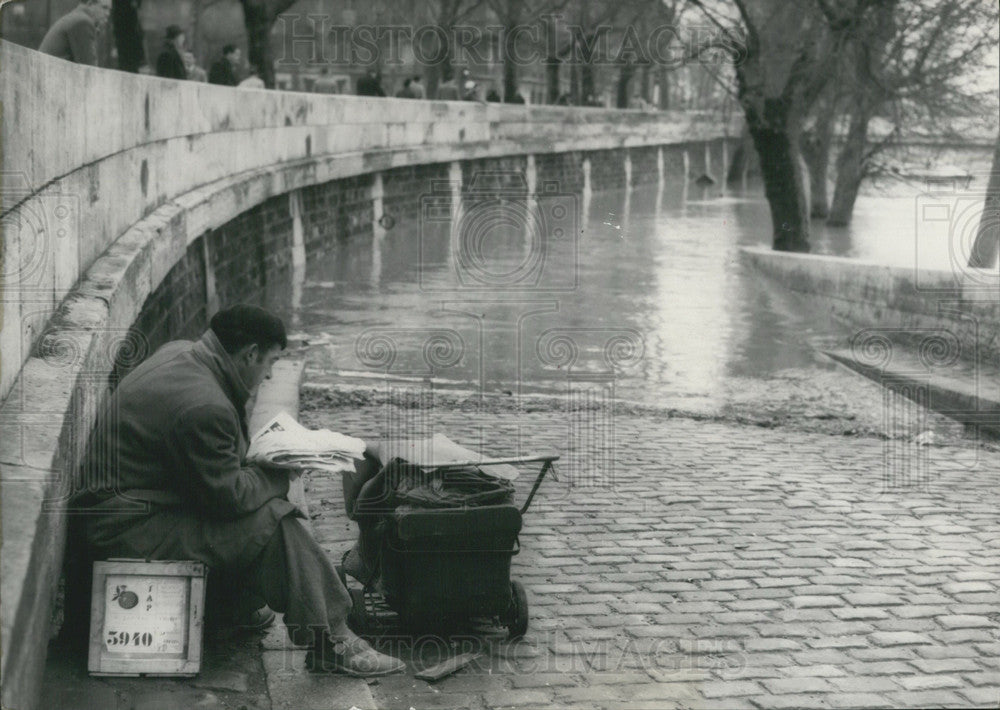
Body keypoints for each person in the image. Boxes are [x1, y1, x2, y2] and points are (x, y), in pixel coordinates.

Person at [75, 305, 405, 676]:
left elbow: (213, 477)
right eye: (270, 363)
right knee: (274, 520)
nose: (267, 376)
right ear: (249, 353)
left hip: (128, 508)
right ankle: (333, 638)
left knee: (261, 505)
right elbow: (227, 499)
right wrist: (283, 473)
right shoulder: (204, 404)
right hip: (123, 529)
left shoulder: (183, 354)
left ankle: (231, 607)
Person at [38, 0, 111, 66]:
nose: (108, 14)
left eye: (110, 10)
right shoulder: (82, 22)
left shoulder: (75, 17)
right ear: (90, 3)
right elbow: (90, 70)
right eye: (104, 8)